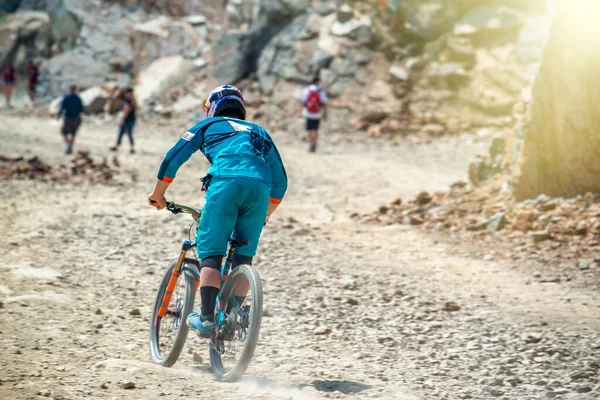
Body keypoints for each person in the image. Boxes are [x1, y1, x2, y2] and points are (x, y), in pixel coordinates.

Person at [147, 85, 288, 337]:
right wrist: (267, 213)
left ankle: (208, 318)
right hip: (260, 190)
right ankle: (233, 320)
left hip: (225, 184)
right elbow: (281, 182)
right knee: (243, 257)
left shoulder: (207, 126)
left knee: (211, 252)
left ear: (212, 107)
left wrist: (158, 195)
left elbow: (173, 158)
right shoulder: (259, 131)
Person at [301, 76, 328, 152]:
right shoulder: (320, 91)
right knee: (315, 130)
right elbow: (324, 103)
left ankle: (311, 145)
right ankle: (315, 144)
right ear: (317, 82)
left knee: (309, 130)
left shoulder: (307, 90)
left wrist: (300, 112)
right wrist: (325, 114)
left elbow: (303, 102)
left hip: (308, 113)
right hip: (317, 114)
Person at [57, 85, 84, 154]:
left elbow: (62, 107)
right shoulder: (78, 98)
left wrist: (59, 115)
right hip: (76, 118)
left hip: (68, 118)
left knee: (64, 133)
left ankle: (68, 145)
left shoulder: (66, 97)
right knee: (73, 134)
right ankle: (70, 146)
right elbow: (81, 109)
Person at [110, 87, 137, 154]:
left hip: (127, 120)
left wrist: (122, 119)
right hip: (132, 119)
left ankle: (117, 146)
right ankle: (132, 147)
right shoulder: (133, 100)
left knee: (121, 133)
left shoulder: (127, 101)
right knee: (129, 134)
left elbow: (126, 110)